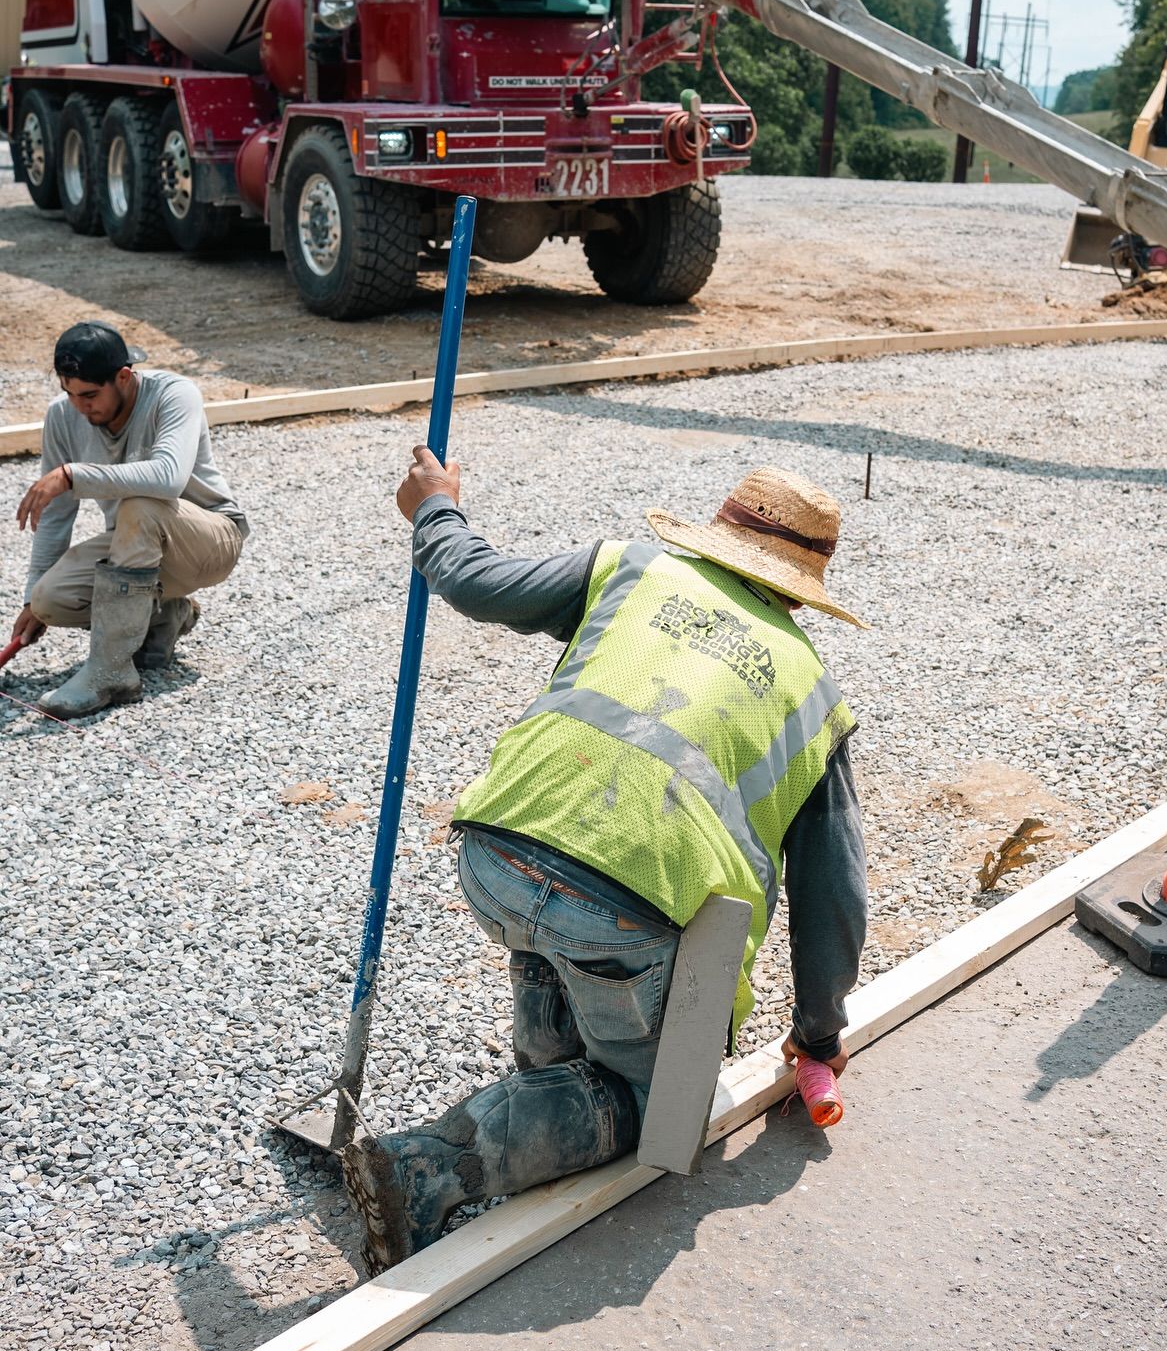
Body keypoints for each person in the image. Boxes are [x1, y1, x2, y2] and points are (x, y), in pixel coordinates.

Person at [341, 451, 869, 1274]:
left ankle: (550, 1072)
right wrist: (818, 1033)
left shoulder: (630, 570)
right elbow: (832, 895)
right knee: (662, 1103)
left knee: (563, 938)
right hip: (619, 913)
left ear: (720, 532)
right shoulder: (812, 690)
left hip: (494, 855)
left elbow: (472, 578)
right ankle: (426, 1164)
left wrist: (436, 506)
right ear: (804, 581)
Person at [12, 322, 249, 718]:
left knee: (141, 503)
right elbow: (55, 518)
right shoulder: (62, 416)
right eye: (69, 394)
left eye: (89, 395)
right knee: (50, 600)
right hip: (136, 549)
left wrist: (72, 475)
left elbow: (169, 478)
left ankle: (109, 673)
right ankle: (164, 615)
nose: (79, 407)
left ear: (123, 377)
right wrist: (30, 597)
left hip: (211, 540)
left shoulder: (175, 394)